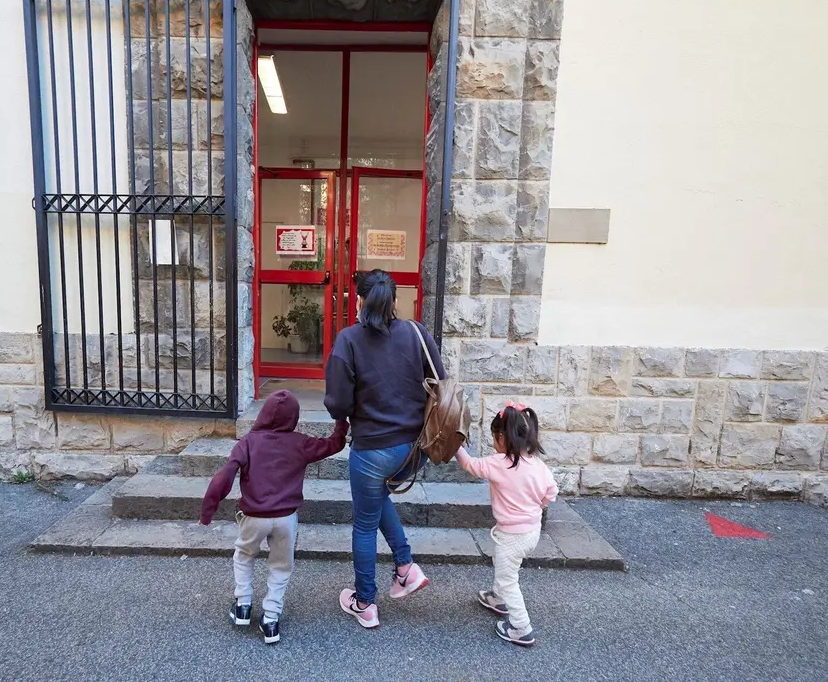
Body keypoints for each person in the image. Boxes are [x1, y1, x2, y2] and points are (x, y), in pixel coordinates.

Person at [325, 269, 445, 629]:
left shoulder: (348, 341)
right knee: (377, 501)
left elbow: (336, 404)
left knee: (363, 524)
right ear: (395, 302)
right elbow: (439, 378)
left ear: (359, 302)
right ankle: (405, 567)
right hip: (416, 449)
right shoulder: (416, 332)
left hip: (373, 451)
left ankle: (365, 602)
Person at [198, 389, 349, 645]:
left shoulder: (247, 443)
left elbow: (224, 476)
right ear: (294, 417)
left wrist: (207, 511)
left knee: (244, 556)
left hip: (253, 516)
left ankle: (243, 605)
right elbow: (334, 444)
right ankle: (271, 619)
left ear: (264, 413)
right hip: (286, 518)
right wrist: (340, 422)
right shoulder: (300, 443)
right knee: (281, 566)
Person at [455, 401, 558, 647]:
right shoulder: (538, 464)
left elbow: (470, 465)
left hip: (512, 535)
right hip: (531, 531)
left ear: (502, 437)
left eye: (494, 436)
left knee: (507, 578)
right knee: (505, 566)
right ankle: (497, 598)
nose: (493, 441)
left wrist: (457, 447)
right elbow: (551, 493)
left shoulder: (499, 463)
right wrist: (536, 507)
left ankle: (521, 627)